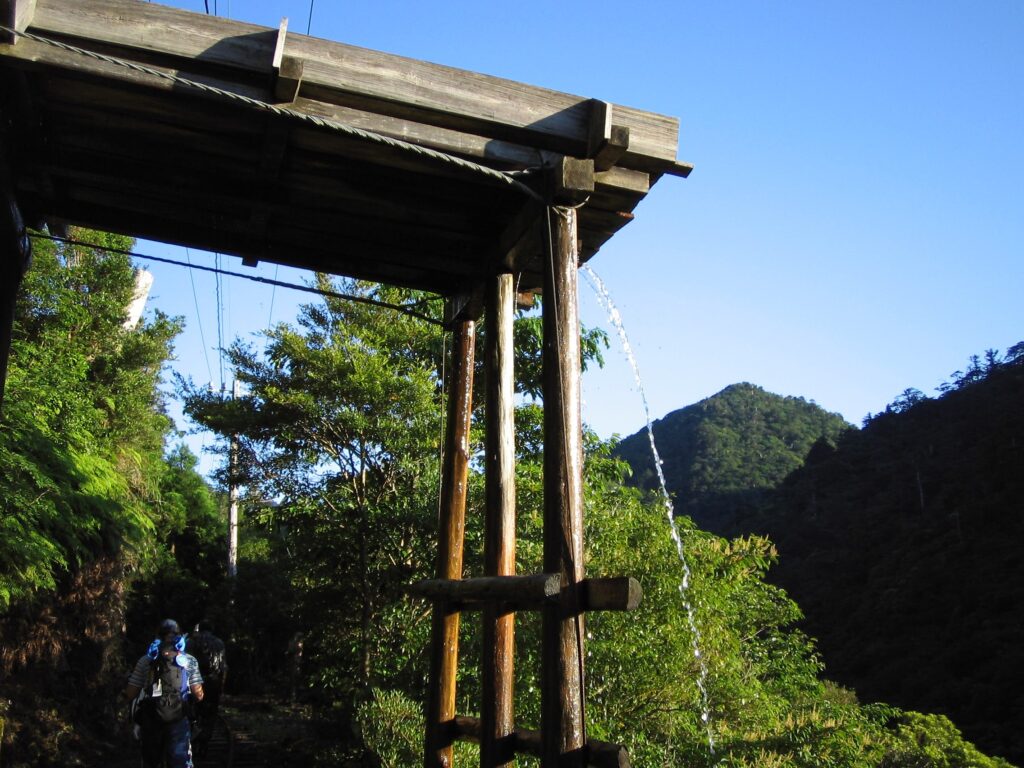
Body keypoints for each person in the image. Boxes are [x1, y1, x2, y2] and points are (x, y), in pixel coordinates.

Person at [122, 618, 204, 768]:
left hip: (151, 718)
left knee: (150, 761)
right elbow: (199, 695)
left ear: (158, 636)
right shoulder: (188, 661)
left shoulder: (146, 660)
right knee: (181, 761)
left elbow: (130, 693)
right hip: (178, 718)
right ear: (179, 636)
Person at [185, 620, 227, 757]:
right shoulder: (219, 643)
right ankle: (205, 741)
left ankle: (194, 738)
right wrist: (221, 685)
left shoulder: (191, 642)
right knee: (211, 713)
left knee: (193, 710)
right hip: (213, 681)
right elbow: (223, 667)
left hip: (195, 681)